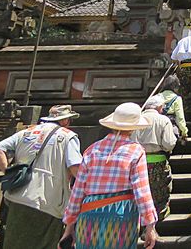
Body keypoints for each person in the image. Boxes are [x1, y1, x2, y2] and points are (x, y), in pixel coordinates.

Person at [58, 103, 157, 249]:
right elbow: (142, 192)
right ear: (133, 128)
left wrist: (69, 227)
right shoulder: (136, 151)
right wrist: (150, 226)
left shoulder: (92, 150)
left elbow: (77, 191)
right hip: (121, 216)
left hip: (89, 215)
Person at [0, 105, 82, 249]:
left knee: (14, 241)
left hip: (17, 196)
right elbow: (75, 168)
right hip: (47, 200)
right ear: (65, 121)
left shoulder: (27, 132)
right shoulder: (67, 136)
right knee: (44, 242)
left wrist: (8, 171)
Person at [131, 96, 177, 220]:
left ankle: (143, 222)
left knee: (141, 193)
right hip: (159, 163)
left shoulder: (136, 120)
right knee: (160, 193)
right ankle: (156, 223)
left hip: (139, 162)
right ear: (159, 107)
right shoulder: (163, 120)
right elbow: (169, 144)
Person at [156, 74, 188, 141]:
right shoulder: (177, 99)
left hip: (158, 128)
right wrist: (184, 131)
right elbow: (180, 117)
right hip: (171, 128)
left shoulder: (158, 96)